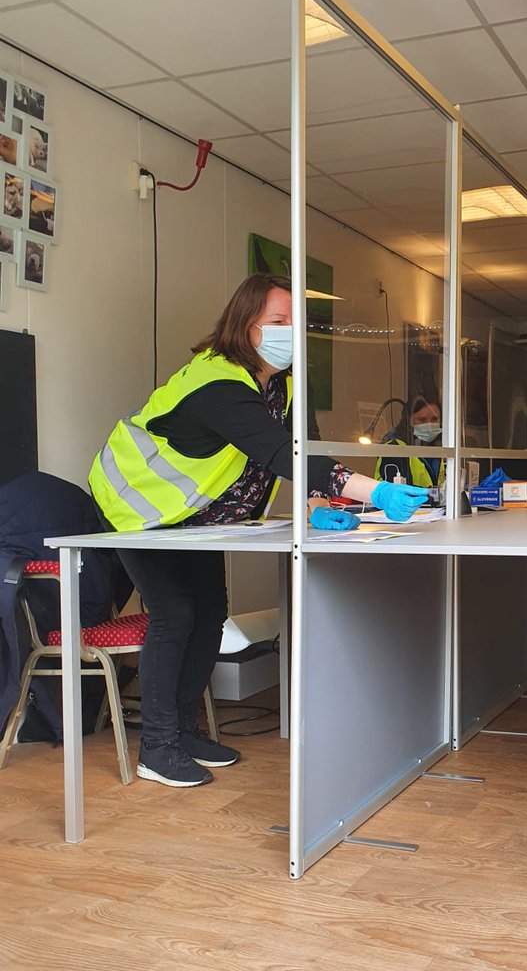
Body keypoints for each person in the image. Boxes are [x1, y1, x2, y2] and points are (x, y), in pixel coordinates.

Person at [89, 273, 428, 788]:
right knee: (176, 615)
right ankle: (156, 748)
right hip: (139, 509)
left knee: (210, 616)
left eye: (294, 321)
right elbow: (279, 453)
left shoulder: (281, 383)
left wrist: (316, 505)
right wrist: (373, 491)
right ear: (246, 327)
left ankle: (183, 731)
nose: (290, 331)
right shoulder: (217, 382)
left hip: (196, 519)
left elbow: (302, 447)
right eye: (278, 321)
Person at [376, 396, 445, 494]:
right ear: (409, 421)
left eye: (434, 419)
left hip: (431, 508)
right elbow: (394, 491)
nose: (429, 425)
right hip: (401, 508)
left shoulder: (440, 449)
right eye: (422, 420)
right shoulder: (395, 449)